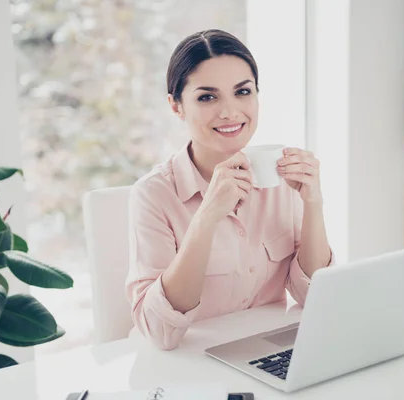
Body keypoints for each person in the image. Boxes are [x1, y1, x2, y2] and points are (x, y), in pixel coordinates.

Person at [125, 29, 333, 350]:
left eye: (243, 92)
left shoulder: (277, 178)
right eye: (207, 97)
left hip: (266, 352)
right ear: (176, 106)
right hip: (188, 364)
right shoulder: (153, 195)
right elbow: (160, 332)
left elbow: (315, 296)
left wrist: (313, 203)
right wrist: (206, 218)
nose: (230, 112)